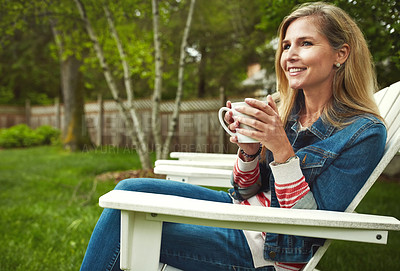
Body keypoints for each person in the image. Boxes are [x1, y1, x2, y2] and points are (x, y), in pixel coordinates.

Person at [80, 2, 386, 271]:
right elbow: (241, 192)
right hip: (241, 215)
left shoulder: (363, 133)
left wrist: (280, 149)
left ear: (340, 54)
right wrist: (250, 152)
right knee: (130, 190)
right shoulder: (288, 111)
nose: (290, 55)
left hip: (266, 250)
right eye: (287, 45)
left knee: (123, 223)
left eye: (305, 43)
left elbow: (307, 228)